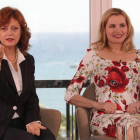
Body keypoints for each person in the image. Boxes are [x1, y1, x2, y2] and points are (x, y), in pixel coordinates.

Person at [64, 8, 140, 140]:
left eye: (122, 25)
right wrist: (98, 105)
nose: (118, 30)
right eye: (112, 26)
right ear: (104, 29)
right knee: (133, 130)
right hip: (105, 118)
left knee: (136, 127)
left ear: (128, 28)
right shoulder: (94, 54)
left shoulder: (138, 56)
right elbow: (70, 94)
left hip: (136, 116)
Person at [0, 7, 55, 140]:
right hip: (2, 123)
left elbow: (31, 96)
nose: (9, 33)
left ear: (21, 32)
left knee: (48, 137)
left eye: (14, 28)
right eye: (3, 28)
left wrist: (33, 121)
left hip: (23, 120)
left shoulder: (28, 60)